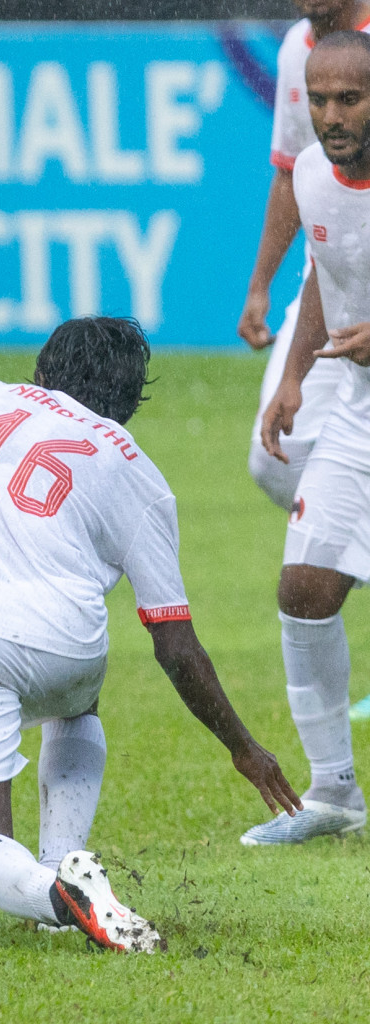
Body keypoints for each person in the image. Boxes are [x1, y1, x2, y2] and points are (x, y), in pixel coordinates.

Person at [0, 316, 299, 952]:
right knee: (76, 703)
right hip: (66, 644)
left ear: (41, 373)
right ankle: (67, 861)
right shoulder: (135, 468)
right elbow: (175, 646)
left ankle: (58, 893)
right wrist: (243, 747)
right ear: (126, 405)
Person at [253, 30, 370, 844]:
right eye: (319, 98)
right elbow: (326, 281)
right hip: (359, 412)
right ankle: (334, 796)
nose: (330, 116)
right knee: (305, 588)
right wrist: (295, 376)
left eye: (350, 99)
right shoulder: (319, 185)